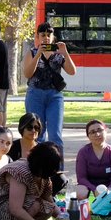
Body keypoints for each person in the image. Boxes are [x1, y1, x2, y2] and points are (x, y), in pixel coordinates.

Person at [22, 22, 76, 152]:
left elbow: (72, 71)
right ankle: (38, 169)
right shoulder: (32, 52)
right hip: (35, 95)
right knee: (37, 135)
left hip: (54, 96)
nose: (46, 37)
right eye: (43, 35)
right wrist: (38, 54)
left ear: (53, 37)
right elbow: (27, 74)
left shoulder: (58, 54)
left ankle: (57, 170)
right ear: (38, 37)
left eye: (49, 35)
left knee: (55, 136)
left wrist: (65, 53)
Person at [75, 119, 111, 199]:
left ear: (105, 131)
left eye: (100, 130)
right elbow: (81, 178)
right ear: (88, 136)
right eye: (92, 132)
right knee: (80, 192)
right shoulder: (83, 152)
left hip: (108, 187)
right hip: (89, 186)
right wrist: (94, 189)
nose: (97, 134)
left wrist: (109, 190)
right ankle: (85, 210)